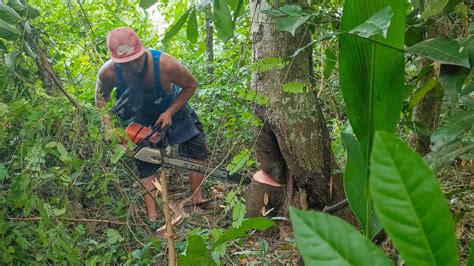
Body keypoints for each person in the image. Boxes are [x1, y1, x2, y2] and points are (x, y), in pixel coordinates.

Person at [95, 27, 208, 222]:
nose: (132, 67)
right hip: (141, 117)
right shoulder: (108, 73)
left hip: (174, 109)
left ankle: (197, 200)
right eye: (126, 64)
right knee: (145, 162)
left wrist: (169, 112)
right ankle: (153, 215)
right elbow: (100, 96)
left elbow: (190, 85)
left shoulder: (165, 64)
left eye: (135, 60)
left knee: (196, 147)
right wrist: (109, 126)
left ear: (142, 51)